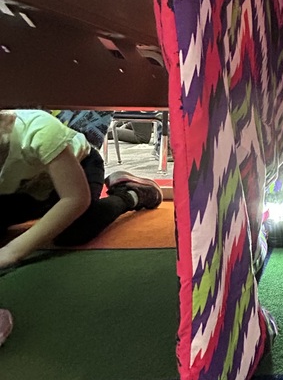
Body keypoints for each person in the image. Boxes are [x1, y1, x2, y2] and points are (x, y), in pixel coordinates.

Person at [0, 109, 162, 271]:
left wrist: (11, 252)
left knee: (75, 230)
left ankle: (128, 194)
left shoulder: (38, 129)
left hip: (81, 168)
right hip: (26, 188)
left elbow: (75, 199)